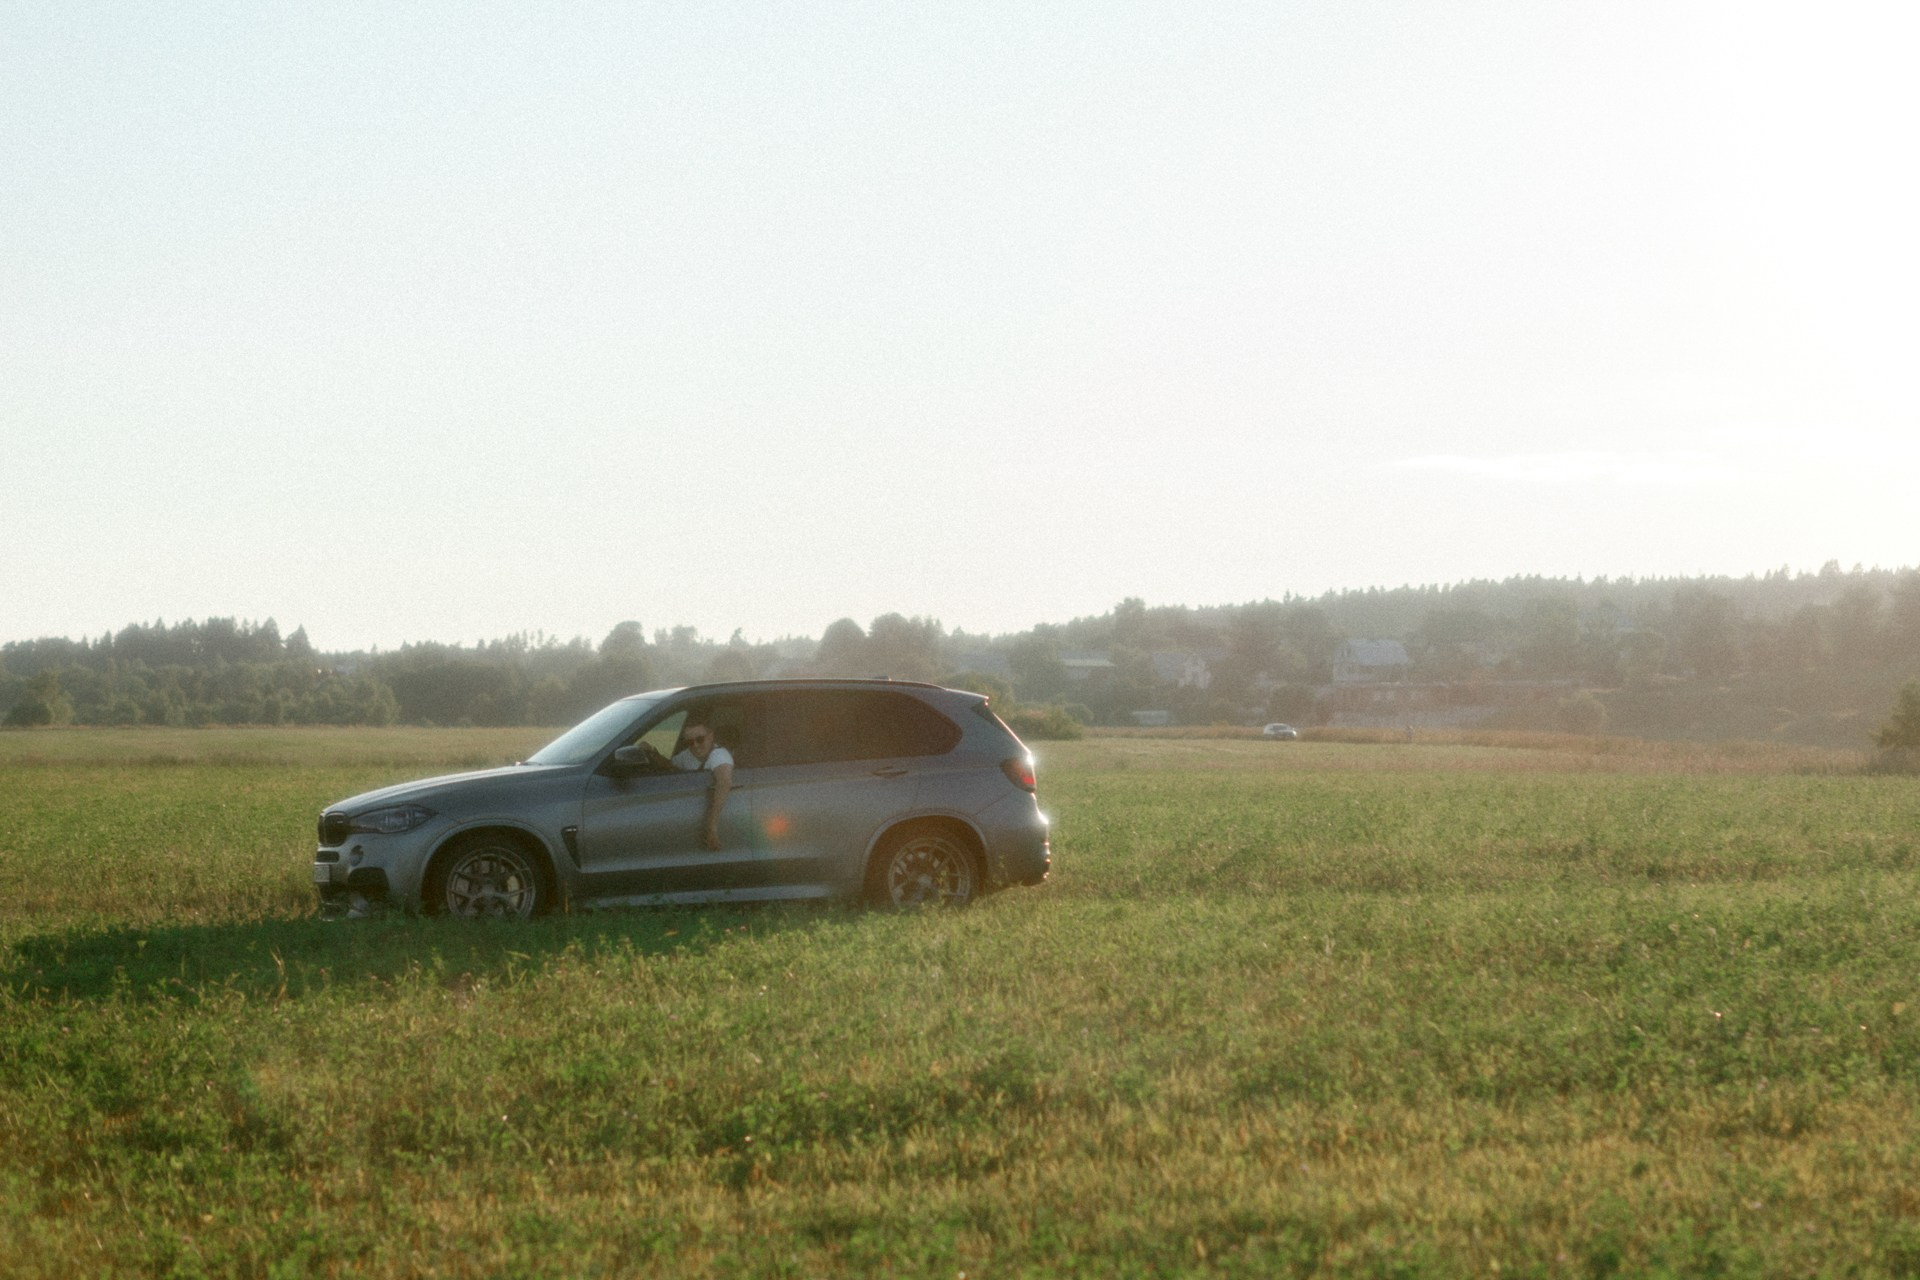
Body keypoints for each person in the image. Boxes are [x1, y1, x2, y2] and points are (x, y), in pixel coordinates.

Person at [652, 717, 733, 851]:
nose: (695, 745)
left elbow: (724, 782)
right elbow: (669, 767)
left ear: (711, 736)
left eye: (700, 739)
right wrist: (651, 753)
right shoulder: (687, 755)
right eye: (690, 742)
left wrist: (711, 827)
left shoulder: (719, 755)